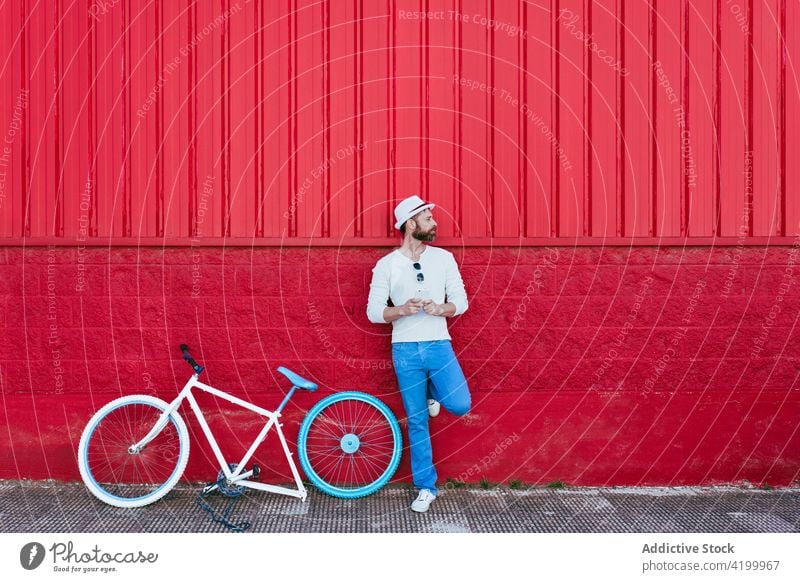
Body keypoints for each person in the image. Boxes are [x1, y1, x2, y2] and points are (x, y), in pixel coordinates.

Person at [366, 195, 471, 512]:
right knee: (416, 421)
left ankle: (434, 394)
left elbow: (461, 302)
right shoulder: (386, 266)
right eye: (427, 218)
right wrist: (401, 310)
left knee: (460, 403)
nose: (434, 222)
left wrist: (441, 308)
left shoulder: (444, 259)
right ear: (410, 224)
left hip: (439, 344)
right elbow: (373, 312)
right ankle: (426, 487)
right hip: (405, 351)